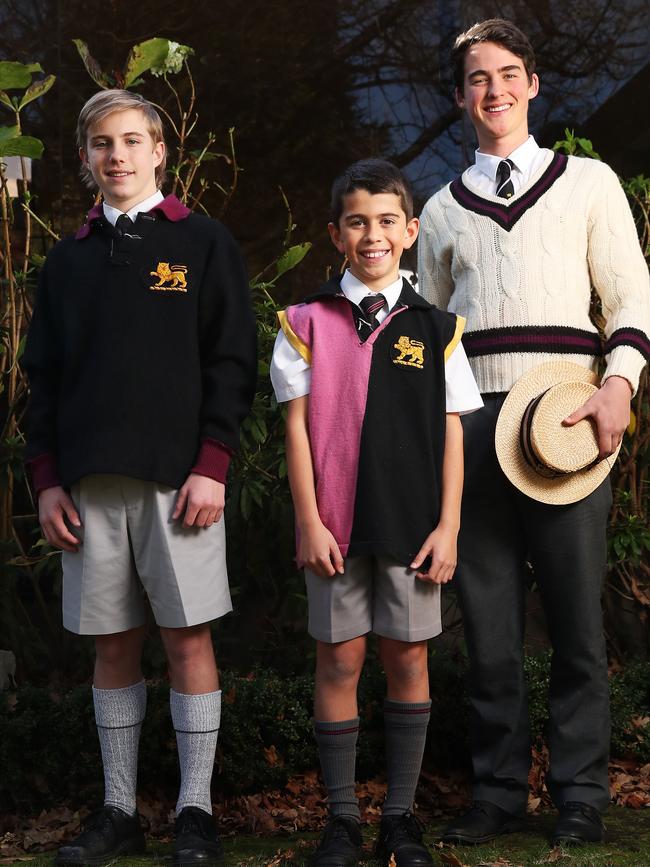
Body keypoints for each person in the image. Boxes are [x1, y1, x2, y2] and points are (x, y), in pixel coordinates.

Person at [418, 18, 650, 847]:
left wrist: (619, 384)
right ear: (460, 99)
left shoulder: (588, 182)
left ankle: (582, 794)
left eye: (509, 73)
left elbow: (628, 296)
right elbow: (432, 333)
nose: (496, 90)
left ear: (535, 84)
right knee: (488, 627)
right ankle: (499, 792)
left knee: (578, 624)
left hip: (569, 422)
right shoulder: (440, 211)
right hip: (475, 426)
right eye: (478, 79)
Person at [23, 89, 256, 866]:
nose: (116, 155)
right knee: (112, 642)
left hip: (180, 482)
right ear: (87, 159)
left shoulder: (204, 244)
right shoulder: (67, 260)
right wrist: (47, 478)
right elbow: (43, 381)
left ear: (160, 151)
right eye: (100, 144)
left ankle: (196, 811)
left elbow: (230, 361)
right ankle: (118, 808)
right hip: (88, 486)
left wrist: (213, 463)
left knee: (188, 638)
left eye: (130, 141)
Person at [270, 158, 483, 867]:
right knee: (339, 659)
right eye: (357, 221)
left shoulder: (438, 327)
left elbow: (453, 430)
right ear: (335, 234)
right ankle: (341, 820)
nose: (373, 234)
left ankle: (400, 818)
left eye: (387, 221)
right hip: (332, 525)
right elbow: (297, 428)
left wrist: (449, 525)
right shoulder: (305, 321)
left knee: (408, 656)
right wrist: (308, 519)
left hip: (412, 527)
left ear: (410, 230)